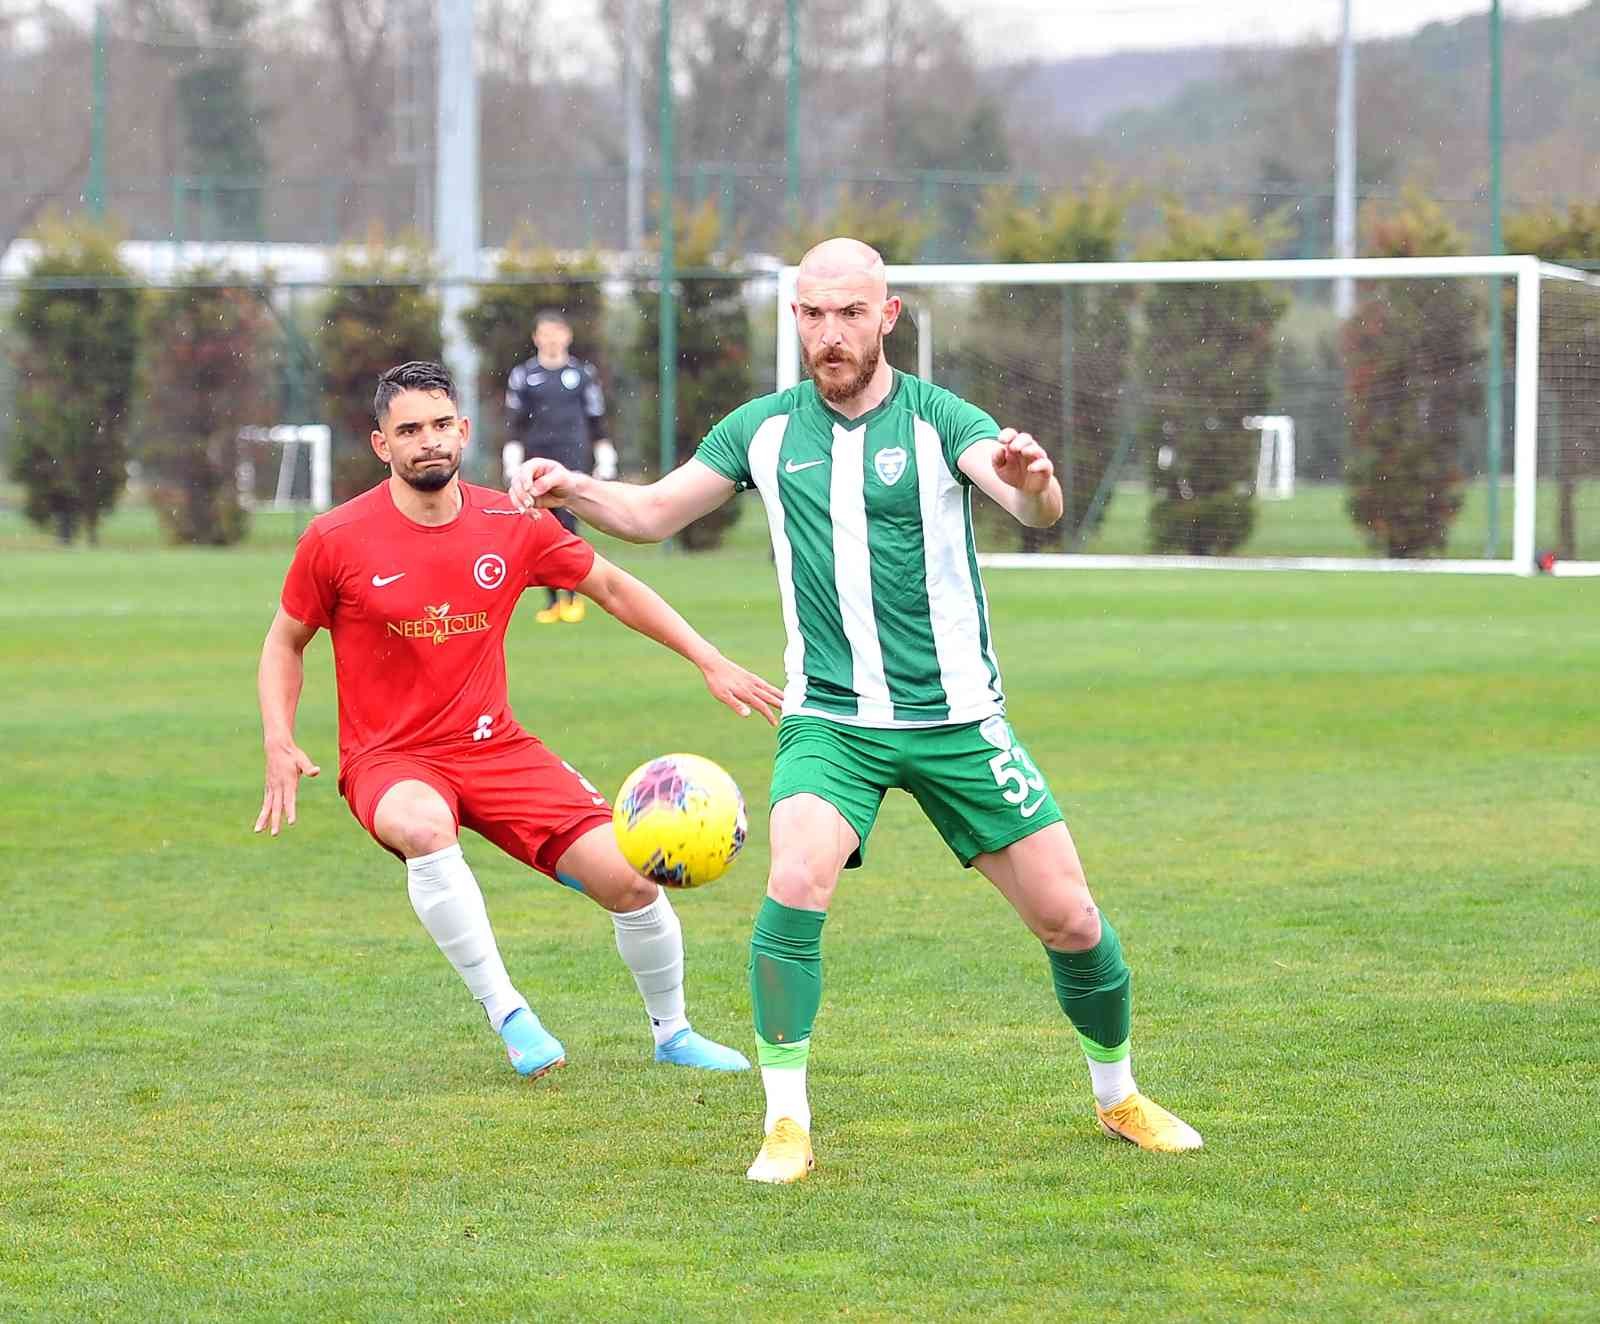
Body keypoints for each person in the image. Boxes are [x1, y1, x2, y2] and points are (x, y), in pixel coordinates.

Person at [509, 239, 1203, 1180]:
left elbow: (1030, 506)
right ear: (794, 318)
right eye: (811, 314)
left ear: (888, 315)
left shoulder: (939, 418)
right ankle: (785, 1122)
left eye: (847, 314)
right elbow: (654, 513)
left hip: (958, 721)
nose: (829, 334)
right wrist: (571, 487)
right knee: (794, 882)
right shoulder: (761, 428)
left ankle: (1119, 1096)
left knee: (1072, 920)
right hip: (831, 722)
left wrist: (1036, 481)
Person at [255, 359, 781, 1080]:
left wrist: (707, 657)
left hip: (495, 748)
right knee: (423, 829)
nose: (428, 442)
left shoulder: (513, 523)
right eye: (408, 430)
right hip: (392, 758)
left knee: (632, 880)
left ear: (464, 431)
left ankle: (674, 1033)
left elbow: (612, 586)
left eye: (441, 425)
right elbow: (286, 641)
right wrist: (279, 740)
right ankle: (510, 1014)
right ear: (383, 445)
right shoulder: (336, 538)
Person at [503, 310, 617, 625]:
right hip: (537, 459)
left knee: (569, 526)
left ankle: (573, 596)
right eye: (546, 333)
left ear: (567, 336)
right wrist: (512, 458)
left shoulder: (582, 374)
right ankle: (552, 600)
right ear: (536, 337)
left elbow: (596, 418)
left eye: (558, 332)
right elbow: (513, 422)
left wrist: (604, 453)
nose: (552, 339)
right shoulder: (523, 375)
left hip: (573, 458)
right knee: (539, 528)